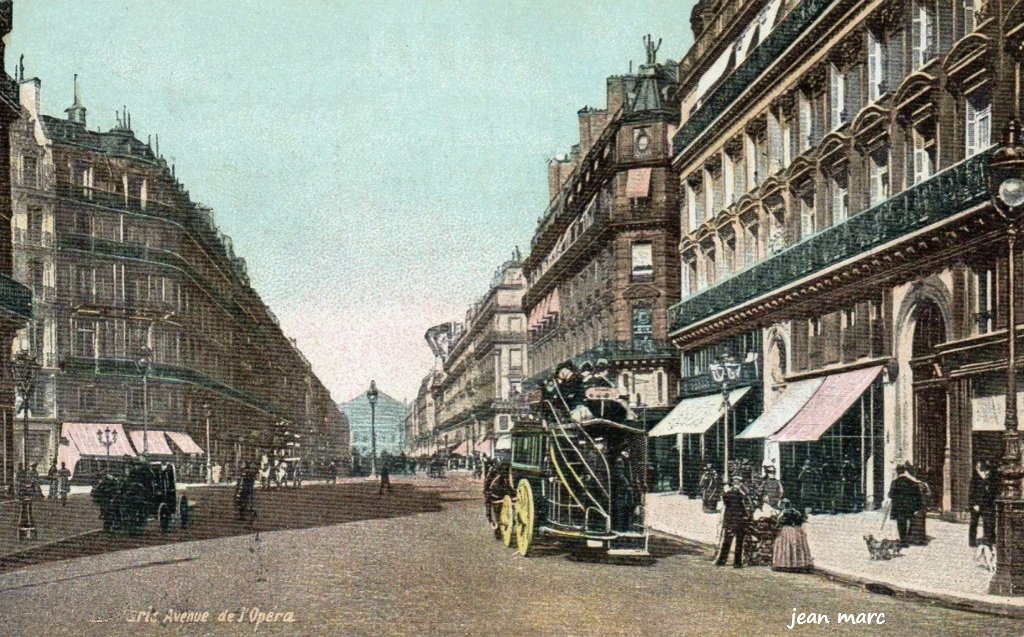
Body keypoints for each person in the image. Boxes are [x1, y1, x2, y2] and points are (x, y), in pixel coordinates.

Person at [716, 475, 752, 568]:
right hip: (740, 521)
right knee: (739, 542)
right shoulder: (743, 494)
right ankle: (737, 562)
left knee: (727, 541)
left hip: (729, 520)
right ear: (740, 483)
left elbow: (724, 503)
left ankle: (721, 561)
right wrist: (748, 517)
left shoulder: (727, 493)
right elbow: (748, 506)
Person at [772, 498, 813, 572]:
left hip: (786, 530)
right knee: (797, 546)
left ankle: (785, 564)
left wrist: (778, 527)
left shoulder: (783, 512)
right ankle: (798, 564)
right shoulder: (796, 512)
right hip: (796, 530)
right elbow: (800, 521)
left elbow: (778, 522)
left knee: (785, 546)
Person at [888, 463, 922, 548]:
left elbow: (890, 495)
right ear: (905, 471)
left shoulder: (895, 482)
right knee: (909, 521)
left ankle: (903, 540)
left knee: (901, 523)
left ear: (897, 472)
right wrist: (917, 507)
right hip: (909, 507)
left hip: (899, 507)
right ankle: (908, 538)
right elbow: (918, 495)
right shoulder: (912, 483)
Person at [968, 460, 997, 547]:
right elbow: (971, 493)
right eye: (977, 466)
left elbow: (992, 491)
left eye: (979, 466)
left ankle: (988, 540)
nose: (978, 468)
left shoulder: (989, 477)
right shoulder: (975, 478)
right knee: (974, 523)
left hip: (987, 504)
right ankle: (972, 542)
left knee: (988, 522)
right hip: (976, 504)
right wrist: (974, 504)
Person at [905, 463, 930, 546]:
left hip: (915, 505)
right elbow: (929, 494)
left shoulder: (912, 484)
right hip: (922, 505)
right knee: (920, 522)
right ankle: (920, 539)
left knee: (914, 522)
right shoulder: (924, 484)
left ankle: (914, 539)